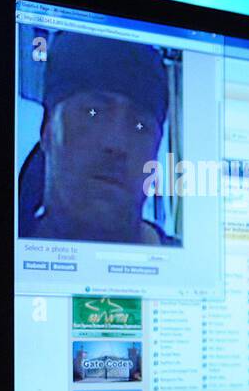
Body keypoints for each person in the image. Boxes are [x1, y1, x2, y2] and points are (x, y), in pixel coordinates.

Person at [20, 31, 173, 245]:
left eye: (140, 126)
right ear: (47, 129)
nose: (116, 143)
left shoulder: (192, 269)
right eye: (93, 112)